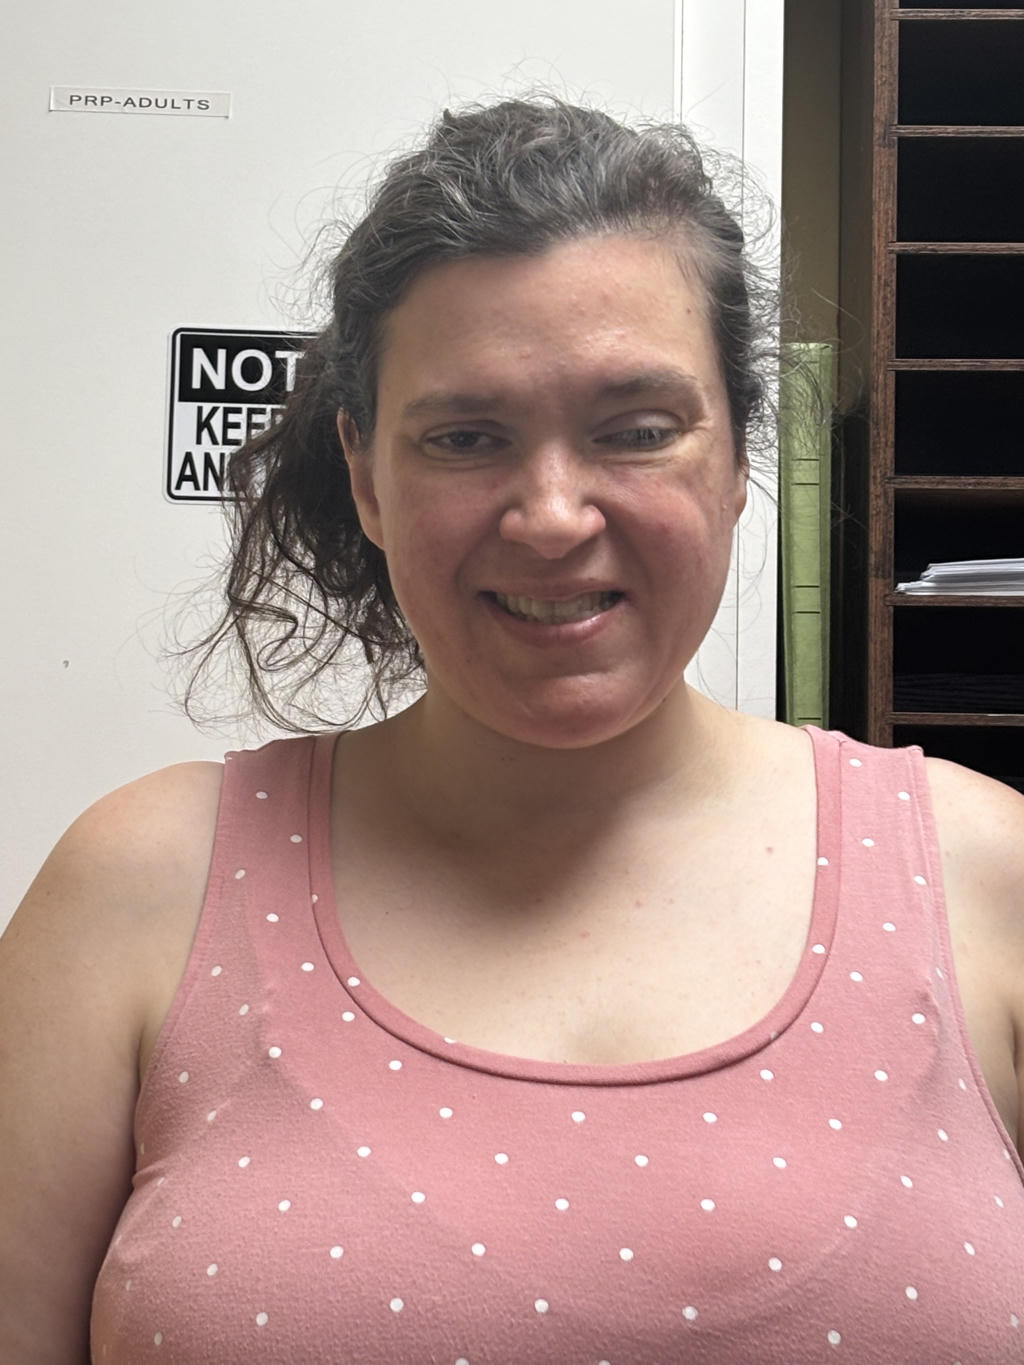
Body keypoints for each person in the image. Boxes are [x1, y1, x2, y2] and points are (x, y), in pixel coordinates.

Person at [2, 97, 1023, 1365]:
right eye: (467, 437)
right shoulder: (135, 889)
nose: (550, 515)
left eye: (638, 430)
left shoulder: (990, 876)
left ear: (745, 454)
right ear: (368, 475)